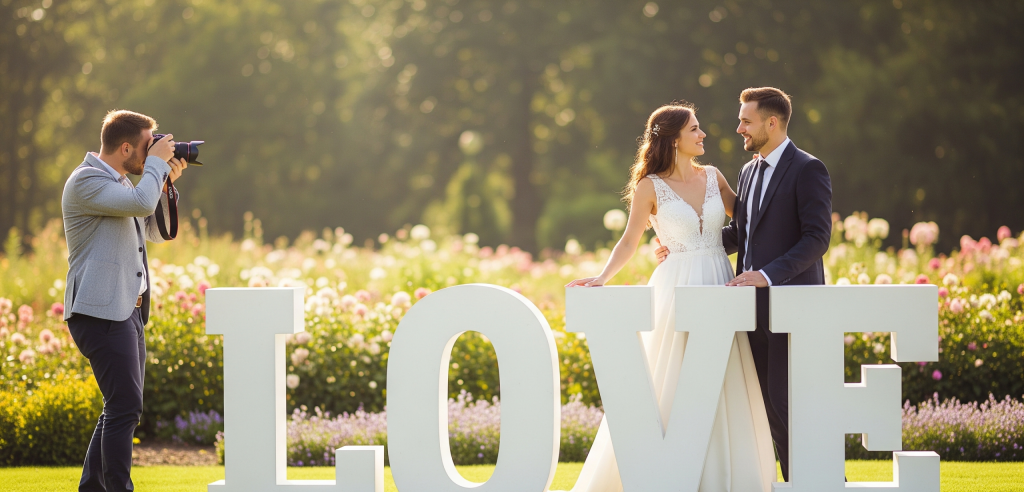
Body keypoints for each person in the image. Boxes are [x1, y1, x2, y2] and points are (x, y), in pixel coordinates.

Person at [565, 102, 776, 491]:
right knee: (672, 373)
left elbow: (749, 222)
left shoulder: (714, 176)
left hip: (718, 281)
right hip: (675, 285)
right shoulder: (650, 186)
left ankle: (721, 475)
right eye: (695, 129)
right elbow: (629, 241)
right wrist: (602, 277)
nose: (703, 134)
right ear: (673, 139)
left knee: (722, 374)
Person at [656, 87, 833, 482]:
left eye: (746, 121)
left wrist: (768, 276)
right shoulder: (749, 171)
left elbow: (817, 238)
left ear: (772, 123)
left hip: (792, 308)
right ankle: (796, 484)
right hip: (750, 313)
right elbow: (743, 231)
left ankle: (814, 483)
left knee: (790, 404)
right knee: (765, 406)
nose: (738, 128)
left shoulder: (808, 169)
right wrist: (683, 247)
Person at [61, 110, 188, 492]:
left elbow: (154, 230)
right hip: (99, 312)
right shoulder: (86, 181)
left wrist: (162, 178)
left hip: (127, 313)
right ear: (127, 147)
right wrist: (154, 169)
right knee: (125, 407)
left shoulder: (120, 184)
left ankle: (92, 487)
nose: (153, 153)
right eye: (149, 147)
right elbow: (139, 205)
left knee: (119, 407)